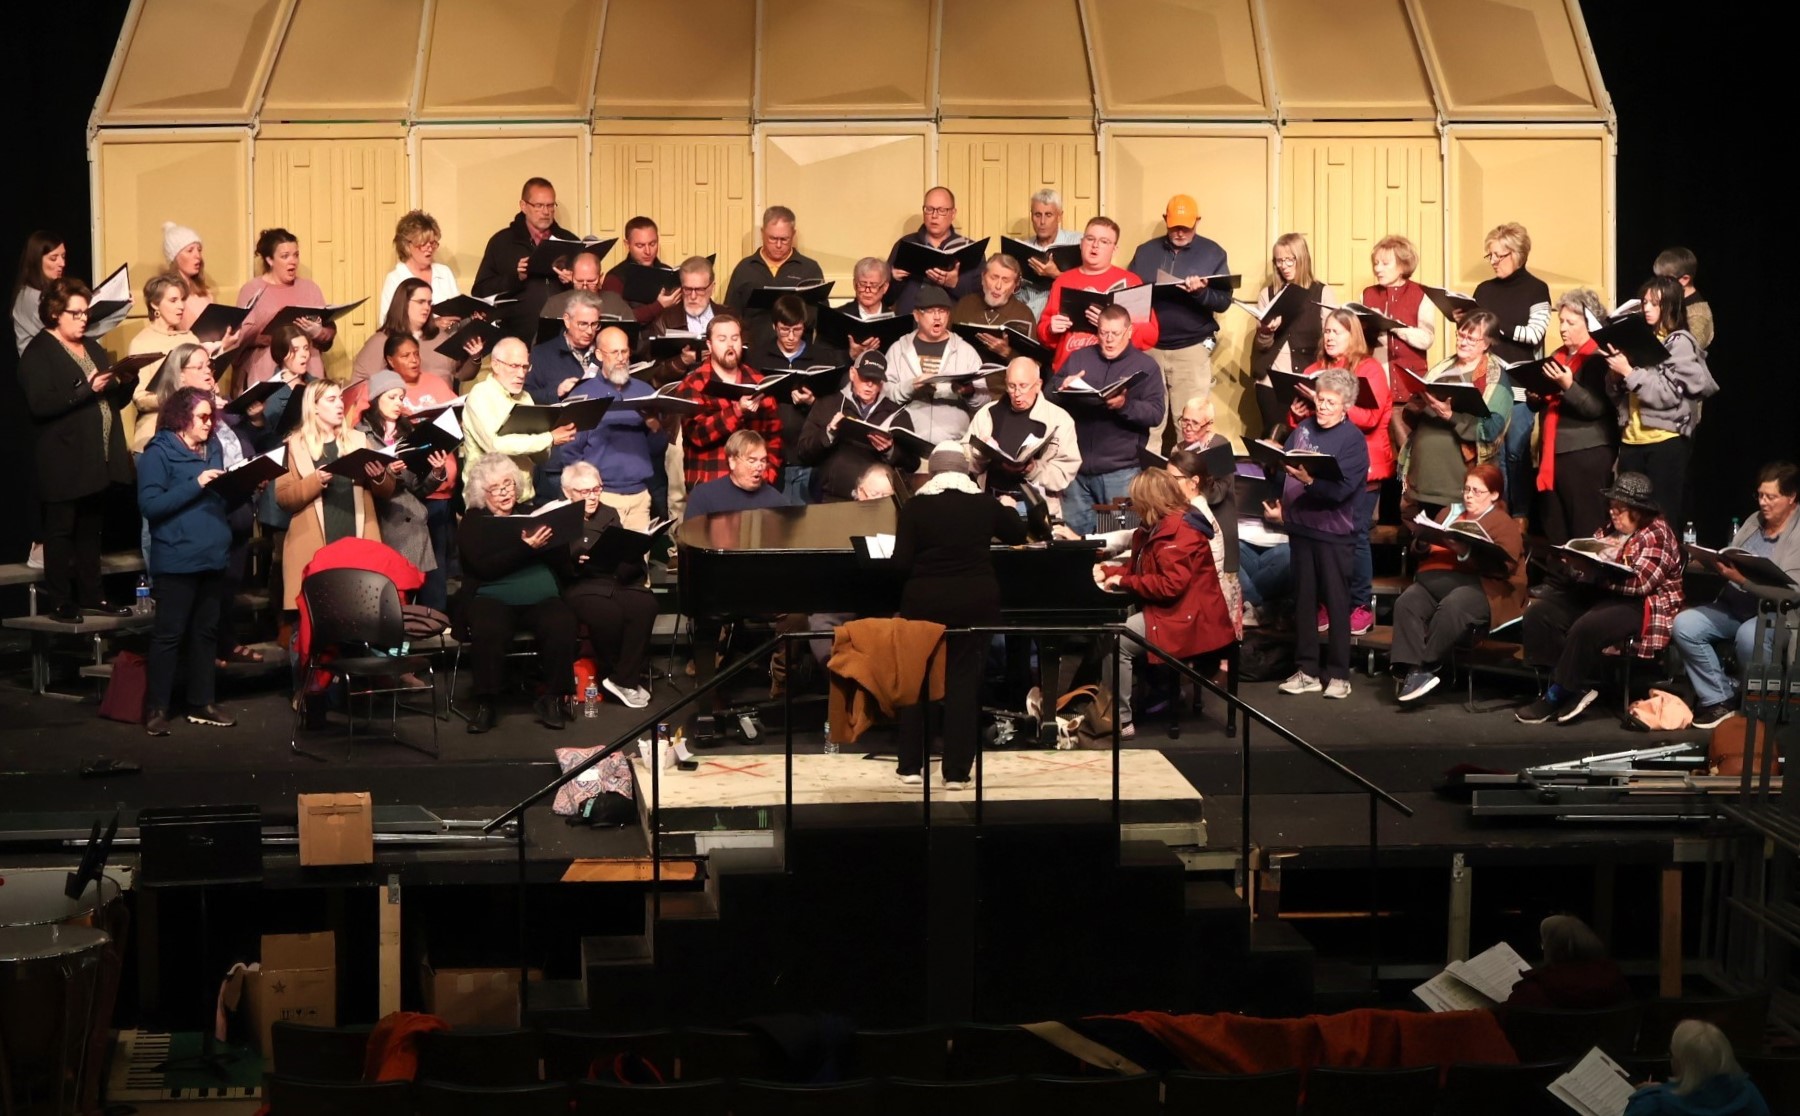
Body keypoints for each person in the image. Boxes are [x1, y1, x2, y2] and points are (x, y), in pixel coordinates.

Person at [890, 441, 1028, 787]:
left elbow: (901, 562)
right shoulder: (984, 505)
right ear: (965, 471)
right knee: (963, 685)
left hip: (924, 604)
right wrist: (1009, 506)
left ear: (933, 473)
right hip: (974, 602)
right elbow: (1016, 533)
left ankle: (910, 767)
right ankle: (955, 773)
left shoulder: (915, 507)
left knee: (917, 683)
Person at [1518, 472, 1684, 725]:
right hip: (1603, 594)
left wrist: (1598, 576)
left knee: (1588, 626)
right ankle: (1571, 685)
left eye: (1619, 508)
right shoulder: (1611, 529)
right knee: (1540, 614)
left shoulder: (1656, 534)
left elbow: (1642, 584)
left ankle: (1558, 694)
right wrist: (1575, 564)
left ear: (1638, 511)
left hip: (1642, 605)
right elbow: (1589, 551)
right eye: (1612, 506)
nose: (1612, 513)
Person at [22, 275, 139, 621]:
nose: (84, 319)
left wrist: (126, 384)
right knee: (61, 531)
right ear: (56, 313)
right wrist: (86, 389)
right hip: (63, 457)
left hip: (96, 456)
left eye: (86, 312)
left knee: (91, 528)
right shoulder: (39, 352)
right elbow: (40, 404)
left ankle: (93, 594)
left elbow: (109, 401)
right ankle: (60, 599)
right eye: (76, 313)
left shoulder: (93, 347)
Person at [147, 345, 262, 668]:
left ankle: (224, 643)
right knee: (201, 600)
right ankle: (201, 654)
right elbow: (170, 481)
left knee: (228, 587)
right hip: (202, 518)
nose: (209, 371)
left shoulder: (220, 411)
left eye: (209, 364)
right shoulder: (174, 422)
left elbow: (238, 447)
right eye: (199, 367)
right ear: (181, 375)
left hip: (236, 504)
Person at [1098, 469, 1235, 736]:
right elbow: (1140, 569)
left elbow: (1170, 586)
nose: (1132, 504)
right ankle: (1152, 693)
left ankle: (1121, 720)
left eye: (1135, 499)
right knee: (1106, 625)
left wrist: (1123, 582)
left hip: (1190, 619)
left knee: (1117, 638)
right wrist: (1108, 572)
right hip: (1174, 612)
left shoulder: (1179, 532)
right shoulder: (1154, 528)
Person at [136, 386, 238, 735]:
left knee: (205, 633)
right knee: (169, 635)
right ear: (182, 417)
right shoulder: (158, 453)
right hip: (178, 557)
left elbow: (218, 502)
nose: (210, 424)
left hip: (212, 553)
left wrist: (241, 489)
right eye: (203, 417)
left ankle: (201, 702)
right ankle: (157, 707)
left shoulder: (214, 448)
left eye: (213, 417)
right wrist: (196, 483)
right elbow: (151, 506)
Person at [455, 452, 579, 733]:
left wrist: (555, 539)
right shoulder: (475, 521)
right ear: (481, 492)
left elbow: (559, 561)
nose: (504, 493)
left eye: (508, 485)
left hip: (541, 596)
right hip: (492, 596)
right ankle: (487, 703)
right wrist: (525, 549)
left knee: (561, 622)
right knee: (488, 628)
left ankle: (553, 698)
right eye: (495, 489)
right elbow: (482, 567)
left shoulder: (532, 511)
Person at [1672, 462, 1800, 728]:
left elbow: (1792, 592)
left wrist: (1743, 580)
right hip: (1734, 605)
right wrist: (1715, 563)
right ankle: (1720, 697)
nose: (1763, 503)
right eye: (1760, 495)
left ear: (1791, 498)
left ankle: (1760, 702)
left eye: (1771, 497)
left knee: (1749, 635)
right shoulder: (1755, 521)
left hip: (1775, 614)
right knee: (1685, 625)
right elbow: (1733, 553)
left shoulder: (1797, 534)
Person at [1390, 464, 1526, 703]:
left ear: (1494, 495)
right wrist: (1422, 542)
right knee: (1408, 601)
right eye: (1466, 489)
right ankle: (1411, 670)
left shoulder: (1502, 523)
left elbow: (1505, 568)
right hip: (1443, 579)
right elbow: (1421, 547)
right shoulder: (1448, 513)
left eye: (1477, 491)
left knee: (1456, 602)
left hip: (1490, 588)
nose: (1469, 496)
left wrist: (1465, 552)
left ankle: (1425, 667)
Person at [1274, 368, 1370, 699]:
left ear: (1346, 406)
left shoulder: (1353, 440)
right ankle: (1307, 671)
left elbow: (1343, 490)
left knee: (1336, 601)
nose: (1323, 406)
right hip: (1302, 528)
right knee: (1304, 601)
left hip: (1334, 532)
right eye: (1320, 399)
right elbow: (1287, 465)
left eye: (1331, 402)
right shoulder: (1302, 429)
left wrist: (1310, 481)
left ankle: (1340, 674)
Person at [1296, 309, 1391, 637]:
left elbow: (1372, 417)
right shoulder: (1314, 371)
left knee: (1355, 537)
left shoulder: (1368, 368)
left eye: (1338, 331)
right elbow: (1302, 427)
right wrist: (1298, 411)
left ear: (1354, 336)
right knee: (1321, 538)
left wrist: (1333, 403)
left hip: (1361, 468)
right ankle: (1327, 602)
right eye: (1327, 331)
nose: (1330, 336)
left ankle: (1359, 605)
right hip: (1320, 469)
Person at [1604, 275, 1717, 526]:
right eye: (1644, 302)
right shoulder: (1640, 339)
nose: (1646, 308)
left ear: (1670, 306)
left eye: (1654, 303)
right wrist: (1615, 375)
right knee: (1628, 520)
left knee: (1661, 518)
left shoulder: (1680, 342)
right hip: (1632, 439)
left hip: (1664, 442)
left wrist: (1629, 372)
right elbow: (1617, 395)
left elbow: (1668, 394)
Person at [273, 379, 396, 611]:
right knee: (319, 615)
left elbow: (386, 490)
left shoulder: (359, 441)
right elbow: (283, 497)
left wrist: (379, 476)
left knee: (358, 612)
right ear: (315, 406)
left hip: (356, 536)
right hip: (315, 542)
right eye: (331, 400)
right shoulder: (295, 445)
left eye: (340, 398)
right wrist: (314, 481)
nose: (340, 404)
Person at [1127, 194, 1231, 449]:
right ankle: (1147, 486)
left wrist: (1200, 292)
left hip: (1192, 348)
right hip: (1150, 348)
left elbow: (1224, 301)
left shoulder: (1213, 252)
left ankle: (1187, 484)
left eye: (1187, 226)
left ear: (1197, 221)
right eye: (1175, 226)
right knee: (1149, 424)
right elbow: (1128, 294)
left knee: (1191, 426)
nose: (1181, 232)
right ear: (1165, 220)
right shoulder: (1146, 252)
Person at [1052, 304, 1166, 535]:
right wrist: (1061, 387)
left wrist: (1126, 405)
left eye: (1116, 333)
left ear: (1129, 332)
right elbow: (1048, 393)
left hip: (1121, 472)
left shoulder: (1146, 366)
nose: (1109, 340)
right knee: (1075, 541)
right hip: (1076, 470)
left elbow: (1155, 414)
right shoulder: (1079, 358)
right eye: (1104, 333)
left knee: (1119, 542)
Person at [562, 460, 659, 708]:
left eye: (596, 489)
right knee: (607, 612)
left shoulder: (608, 513)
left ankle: (623, 679)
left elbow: (619, 548)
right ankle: (613, 672)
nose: (592, 497)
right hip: (580, 585)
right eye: (584, 492)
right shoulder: (559, 518)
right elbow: (551, 562)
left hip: (612, 578)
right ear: (567, 492)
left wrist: (634, 549)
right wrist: (571, 556)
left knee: (645, 603)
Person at [1401, 310, 1510, 519]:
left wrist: (1451, 416)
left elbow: (1492, 429)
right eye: (1460, 335)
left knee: (1451, 546)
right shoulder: (1441, 368)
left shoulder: (1495, 378)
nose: (1463, 342)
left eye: (1471, 338)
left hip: (1456, 487)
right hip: (1422, 479)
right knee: (1424, 544)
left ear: (1486, 343)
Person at [1473, 222, 1550, 512]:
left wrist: (1494, 324)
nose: (1492, 261)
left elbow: (1534, 335)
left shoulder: (1537, 289)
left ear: (1517, 254)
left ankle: (1521, 515)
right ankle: (1498, 512)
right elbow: (1478, 334)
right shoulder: (1483, 289)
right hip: (1490, 384)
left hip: (1520, 386)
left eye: (1498, 255)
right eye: (1489, 255)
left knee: (1517, 453)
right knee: (1494, 455)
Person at [1530, 289, 1617, 544]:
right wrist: (1537, 397)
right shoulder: (1558, 357)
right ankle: (1559, 580)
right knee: (1555, 521)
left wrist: (1568, 385)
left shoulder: (1601, 358)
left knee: (1584, 522)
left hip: (1586, 452)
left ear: (1589, 324)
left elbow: (1596, 409)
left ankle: (1585, 580)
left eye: (1571, 322)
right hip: (1554, 451)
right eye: (1561, 322)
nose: (1563, 328)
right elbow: (1549, 405)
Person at [357, 367, 452, 597]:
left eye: (401, 397)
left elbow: (417, 488)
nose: (398, 403)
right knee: (385, 596)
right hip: (380, 522)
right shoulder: (361, 434)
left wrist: (436, 471)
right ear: (376, 398)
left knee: (414, 596)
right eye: (391, 397)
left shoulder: (407, 434)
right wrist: (386, 472)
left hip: (411, 525)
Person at [557, 325, 662, 530]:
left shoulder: (646, 391)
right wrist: (584, 493)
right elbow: (570, 451)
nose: (621, 358)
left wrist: (655, 427)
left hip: (639, 495)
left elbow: (657, 450)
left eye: (625, 351)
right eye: (614, 352)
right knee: (603, 560)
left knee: (637, 561)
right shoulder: (584, 395)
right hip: (601, 498)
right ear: (599, 354)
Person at [746, 292, 843, 502]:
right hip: (770, 454)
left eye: (797, 329)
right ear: (774, 327)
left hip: (808, 456)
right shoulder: (758, 357)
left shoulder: (822, 358)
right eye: (784, 330)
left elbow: (835, 406)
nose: (791, 336)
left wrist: (812, 403)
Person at [461, 337, 577, 506]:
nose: (521, 374)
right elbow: (495, 446)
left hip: (523, 498)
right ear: (496, 365)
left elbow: (540, 458)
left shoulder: (525, 398)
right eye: (514, 366)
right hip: (488, 501)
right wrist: (548, 438)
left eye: (525, 367)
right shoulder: (480, 395)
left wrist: (550, 438)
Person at [675, 314, 783, 492]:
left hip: (755, 488)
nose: (730, 345)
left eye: (735, 338)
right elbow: (698, 434)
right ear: (709, 345)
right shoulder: (693, 384)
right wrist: (737, 410)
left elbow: (773, 435)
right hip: (711, 488)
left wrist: (767, 476)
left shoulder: (758, 381)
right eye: (722, 339)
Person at [966, 357, 1081, 520]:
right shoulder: (988, 413)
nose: (1017, 393)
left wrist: (1033, 469)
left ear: (1038, 384)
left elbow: (1065, 471)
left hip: (1037, 509)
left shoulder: (1058, 419)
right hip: (993, 504)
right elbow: (965, 458)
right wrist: (980, 454)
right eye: (1011, 386)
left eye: (1023, 386)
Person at [1038, 216, 1159, 370]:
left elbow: (1150, 336)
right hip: (1068, 372)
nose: (1095, 246)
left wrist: (1112, 326)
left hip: (1113, 372)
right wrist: (1050, 328)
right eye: (1090, 239)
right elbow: (1044, 334)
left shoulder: (1131, 282)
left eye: (1104, 241)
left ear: (1114, 249)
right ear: (1081, 244)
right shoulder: (1063, 281)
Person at [797, 351, 920, 501]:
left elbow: (912, 464)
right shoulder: (827, 405)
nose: (870, 384)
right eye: (865, 377)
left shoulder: (897, 414)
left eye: (876, 380)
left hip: (878, 500)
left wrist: (890, 450)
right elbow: (803, 452)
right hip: (832, 497)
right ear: (852, 373)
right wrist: (828, 433)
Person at [1249, 233, 1334, 439]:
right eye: (1279, 260)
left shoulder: (1322, 292)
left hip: (1304, 380)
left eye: (1290, 259)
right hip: (1269, 380)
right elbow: (1262, 346)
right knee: (1273, 437)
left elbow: (1333, 340)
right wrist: (1266, 332)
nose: (1284, 265)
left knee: (1301, 438)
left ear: (1302, 258)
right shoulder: (1266, 294)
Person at [232, 227, 336, 393]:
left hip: (309, 374)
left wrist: (318, 332)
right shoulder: (252, 290)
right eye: (285, 256)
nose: (292, 261)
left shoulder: (310, 288)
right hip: (267, 373)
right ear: (270, 260)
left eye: (295, 255)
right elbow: (237, 340)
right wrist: (263, 337)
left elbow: (329, 334)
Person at [884, 285, 989, 446]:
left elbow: (984, 402)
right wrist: (911, 386)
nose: (938, 317)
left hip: (954, 443)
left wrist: (969, 392)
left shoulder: (965, 351)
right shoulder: (898, 350)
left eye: (942, 311)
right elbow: (885, 395)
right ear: (917, 315)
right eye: (931, 311)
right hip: (907, 442)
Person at [472, 177, 576, 338]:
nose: (546, 212)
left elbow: (588, 293)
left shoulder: (569, 240)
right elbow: (480, 291)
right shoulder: (502, 242)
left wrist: (573, 281)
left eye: (550, 205)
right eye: (539, 205)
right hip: (516, 338)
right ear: (523, 206)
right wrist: (515, 277)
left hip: (563, 335)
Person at [1361, 234, 1437, 444]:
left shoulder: (1421, 294)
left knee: (1406, 448)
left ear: (1403, 265)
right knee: (1377, 448)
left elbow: (1426, 339)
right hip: (1375, 386)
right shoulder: (1367, 294)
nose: (1378, 269)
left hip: (1408, 390)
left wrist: (1394, 326)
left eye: (1385, 263)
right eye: (1376, 263)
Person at [348, 278, 483, 397]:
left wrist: (475, 358)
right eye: (420, 302)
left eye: (429, 303)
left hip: (441, 414)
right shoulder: (381, 341)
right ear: (404, 303)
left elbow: (461, 374)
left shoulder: (440, 337)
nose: (427, 308)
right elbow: (357, 387)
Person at [724, 205, 824, 350]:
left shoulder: (809, 269)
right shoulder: (745, 269)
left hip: (798, 355)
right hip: (754, 354)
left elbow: (822, 318)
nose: (778, 245)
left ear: (793, 234)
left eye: (784, 239)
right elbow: (731, 315)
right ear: (762, 233)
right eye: (772, 239)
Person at [1167, 446, 1243, 637]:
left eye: (1173, 479)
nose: (1166, 485)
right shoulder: (1188, 510)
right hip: (1197, 601)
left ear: (1193, 482)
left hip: (1200, 611)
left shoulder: (1194, 518)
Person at [1624, 1019, 1770, 1116]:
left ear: (1680, 1063)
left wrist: (1657, 1094)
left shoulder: (1650, 1105)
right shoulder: (1749, 1094)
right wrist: (1665, 1090)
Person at [1501, 915, 1631, 1012]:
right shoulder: (1617, 984)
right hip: (1600, 1048)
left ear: (1554, 949)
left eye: (1544, 944)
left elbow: (1506, 1025)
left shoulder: (1530, 994)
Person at [886, 186, 982, 315]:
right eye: (929, 209)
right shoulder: (905, 244)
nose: (934, 215)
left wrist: (954, 284)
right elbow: (885, 298)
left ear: (953, 213)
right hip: (910, 325)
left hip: (950, 327)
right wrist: (895, 279)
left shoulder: (970, 249)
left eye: (941, 210)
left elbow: (980, 300)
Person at [648, 255, 725, 387]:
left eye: (700, 289)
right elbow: (653, 376)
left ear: (712, 287)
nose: (693, 296)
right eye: (688, 289)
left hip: (721, 389)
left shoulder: (728, 318)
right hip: (682, 392)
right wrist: (682, 361)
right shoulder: (664, 320)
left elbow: (745, 361)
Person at [951, 255, 1035, 372]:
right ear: (982, 277)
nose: (998, 286)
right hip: (964, 380)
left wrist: (1007, 353)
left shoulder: (1023, 314)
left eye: (1006, 280)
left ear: (1015, 285)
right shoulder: (965, 304)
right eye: (994, 278)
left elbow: (1033, 366)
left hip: (1003, 387)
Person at [683, 430, 791, 517]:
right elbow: (689, 540)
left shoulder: (776, 502)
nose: (759, 467)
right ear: (732, 462)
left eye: (763, 460)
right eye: (752, 461)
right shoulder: (703, 496)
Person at [526, 288, 605, 404]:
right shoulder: (541, 354)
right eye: (583, 324)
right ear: (567, 320)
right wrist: (556, 392)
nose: (589, 331)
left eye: (594, 324)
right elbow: (525, 395)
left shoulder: (606, 351)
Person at [601, 215, 682, 325]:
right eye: (640, 245)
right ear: (627, 244)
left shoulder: (668, 272)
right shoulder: (615, 278)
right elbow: (618, 320)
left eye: (652, 244)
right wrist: (659, 306)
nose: (648, 251)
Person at [376, 209, 460, 316]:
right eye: (424, 243)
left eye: (432, 243)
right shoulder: (395, 279)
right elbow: (388, 326)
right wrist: (433, 325)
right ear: (407, 245)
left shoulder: (444, 273)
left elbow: (459, 313)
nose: (430, 248)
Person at [1016, 187, 1083, 319]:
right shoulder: (1023, 247)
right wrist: (1014, 285)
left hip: (1064, 318)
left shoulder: (1079, 242)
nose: (1042, 222)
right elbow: (1019, 296)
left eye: (1048, 215)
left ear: (1059, 216)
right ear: (1031, 216)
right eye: (1037, 215)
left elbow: (1089, 286)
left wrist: (1056, 275)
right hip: (1030, 317)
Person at [539, 248, 633, 322]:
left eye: (591, 281)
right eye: (579, 281)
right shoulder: (554, 305)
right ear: (572, 277)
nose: (584, 287)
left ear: (600, 278)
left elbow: (634, 341)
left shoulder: (616, 304)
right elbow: (539, 344)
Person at [11, 230, 65, 354]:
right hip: (42, 369)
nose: (62, 263)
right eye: (53, 258)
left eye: (63, 256)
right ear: (37, 261)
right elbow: (61, 338)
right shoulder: (31, 297)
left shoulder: (51, 291)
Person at [1653, 246, 1713, 352]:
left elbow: (1687, 352)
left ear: (1685, 279)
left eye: (1665, 280)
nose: (1659, 285)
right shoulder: (1671, 300)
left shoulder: (1699, 315)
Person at [161, 222, 216, 332]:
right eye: (190, 250)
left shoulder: (206, 293)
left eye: (199, 250)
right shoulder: (169, 296)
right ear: (175, 258)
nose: (198, 256)